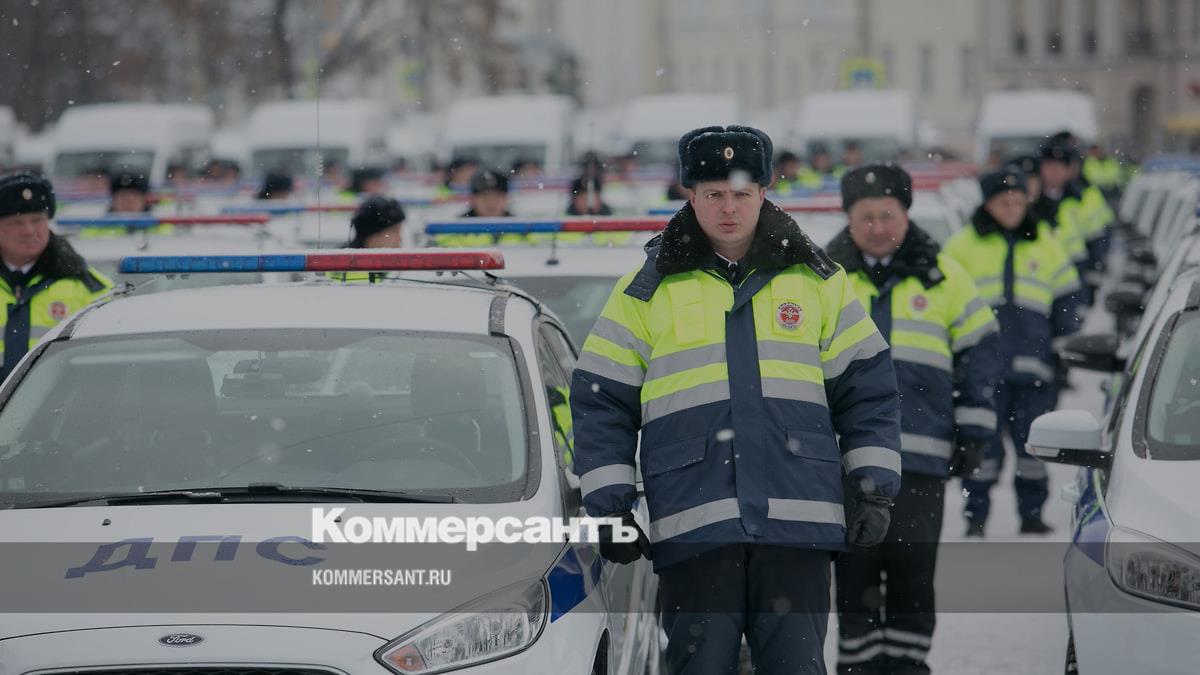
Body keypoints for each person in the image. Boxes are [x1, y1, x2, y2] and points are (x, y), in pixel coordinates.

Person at [570, 125, 902, 674]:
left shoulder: (818, 281)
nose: (729, 208)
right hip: (695, 524)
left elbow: (867, 388)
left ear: (764, 192)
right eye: (714, 194)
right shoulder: (645, 291)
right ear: (690, 195)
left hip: (796, 520)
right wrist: (609, 506)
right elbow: (602, 399)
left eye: (742, 193)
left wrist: (875, 485)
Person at [825, 165, 1001, 674]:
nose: (878, 227)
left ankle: (907, 665)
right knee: (855, 571)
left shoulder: (945, 276)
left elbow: (980, 355)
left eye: (888, 215)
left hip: (921, 455)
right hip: (847, 460)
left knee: (913, 571)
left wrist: (973, 432)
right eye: (866, 217)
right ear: (849, 219)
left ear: (906, 216)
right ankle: (858, 665)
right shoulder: (825, 279)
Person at [943, 166, 1083, 536]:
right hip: (982, 369)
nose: (1011, 209)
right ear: (987, 204)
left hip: (1034, 366)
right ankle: (976, 516)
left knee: (1033, 447)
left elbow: (1068, 296)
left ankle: (1032, 514)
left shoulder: (1045, 242)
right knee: (982, 444)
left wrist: (1063, 343)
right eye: (1003, 202)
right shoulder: (961, 245)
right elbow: (946, 302)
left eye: (1018, 201)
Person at [0, 172, 112, 380]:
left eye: (37, 220)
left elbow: (106, 364)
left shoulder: (90, 288)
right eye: (17, 222)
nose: (29, 230)